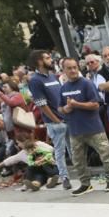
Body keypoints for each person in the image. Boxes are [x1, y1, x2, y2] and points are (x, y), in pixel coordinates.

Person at [59, 58, 109, 196]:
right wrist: (66, 108)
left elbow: (96, 104)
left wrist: (76, 104)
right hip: (75, 130)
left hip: (93, 128)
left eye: (75, 67)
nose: (73, 70)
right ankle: (85, 184)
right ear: (64, 70)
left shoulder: (86, 83)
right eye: (69, 68)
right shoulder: (63, 88)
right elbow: (60, 108)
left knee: (105, 155)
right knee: (78, 160)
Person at [28, 50, 71, 189]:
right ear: (39, 62)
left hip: (66, 118)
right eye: (47, 58)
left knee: (74, 149)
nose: (51, 60)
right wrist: (56, 120)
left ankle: (81, 175)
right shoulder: (35, 80)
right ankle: (64, 177)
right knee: (60, 151)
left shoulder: (52, 76)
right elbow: (42, 104)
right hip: (54, 122)